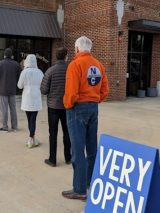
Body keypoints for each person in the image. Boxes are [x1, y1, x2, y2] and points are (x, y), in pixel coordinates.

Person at [62, 36, 109, 200]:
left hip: (77, 108)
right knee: (91, 148)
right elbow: (105, 90)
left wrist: (68, 105)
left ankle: (80, 189)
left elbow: (71, 92)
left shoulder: (75, 65)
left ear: (76, 49)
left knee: (77, 149)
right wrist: (95, 100)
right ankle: (91, 182)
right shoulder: (99, 65)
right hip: (93, 108)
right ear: (90, 49)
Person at [41, 47, 71, 167]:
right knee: (67, 132)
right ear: (65, 56)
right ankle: (68, 157)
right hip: (67, 105)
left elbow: (43, 90)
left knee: (53, 133)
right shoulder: (71, 70)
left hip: (53, 106)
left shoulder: (50, 71)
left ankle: (52, 159)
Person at [17, 54, 44, 148]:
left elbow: (19, 86)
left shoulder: (24, 72)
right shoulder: (39, 72)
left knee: (29, 119)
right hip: (36, 96)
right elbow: (43, 84)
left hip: (27, 97)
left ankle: (30, 138)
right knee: (33, 119)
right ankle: (33, 138)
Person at [0, 48, 21, 132]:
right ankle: (14, 126)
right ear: (11, 55)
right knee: (13, 108)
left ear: (4, 55)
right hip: (12, 89)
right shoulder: (16, 64)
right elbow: (20, 76)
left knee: (4, 109)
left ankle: (5, 127)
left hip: (2, 90)